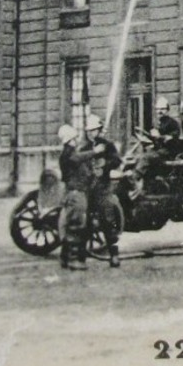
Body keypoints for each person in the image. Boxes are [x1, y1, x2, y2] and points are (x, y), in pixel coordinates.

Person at [84, 114, 122, 268]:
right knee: (85, 220)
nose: (91, 133)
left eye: (93, 130)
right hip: (88, 187)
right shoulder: (86, 147)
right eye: (89, 131)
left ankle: (114, 255)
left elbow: (117, 160)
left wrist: (105, 165)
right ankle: (82, 253)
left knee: (107, 218)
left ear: (99, 130)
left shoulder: (107, 145)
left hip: (103, 187)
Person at [57, 123, 96, 269]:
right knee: (76, 225)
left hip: (74, 193)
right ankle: (73, 260)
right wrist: (95, 152)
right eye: (75, 138)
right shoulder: (69, 154)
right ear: (70, 139)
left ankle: (65, 258)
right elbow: (77, 159)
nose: (77, 140)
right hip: (76, 194)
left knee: (72, 225)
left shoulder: (69, 153)